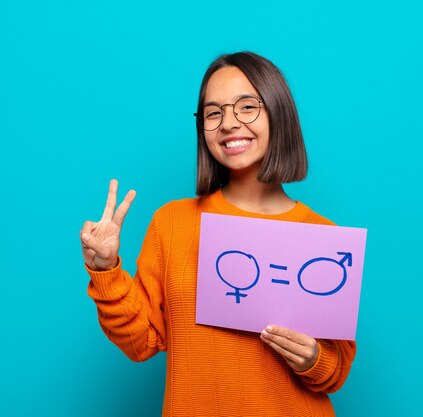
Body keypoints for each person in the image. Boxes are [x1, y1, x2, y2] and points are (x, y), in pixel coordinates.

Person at [80, 51, 356, 417]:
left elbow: (335, 371)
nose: (228, 123)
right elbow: (143, 340)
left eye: (246, 107)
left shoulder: (325, 239)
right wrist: (106, 268)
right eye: (214, 113)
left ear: (278, 112)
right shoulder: (172, 223)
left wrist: (313, 359)